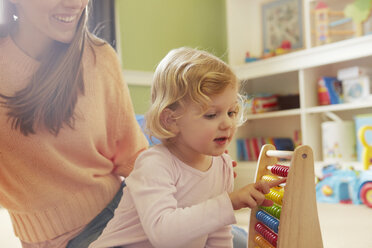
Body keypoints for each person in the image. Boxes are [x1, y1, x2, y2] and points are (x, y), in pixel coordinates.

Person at [90, 47, 285, 248]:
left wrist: (227, 206)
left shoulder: (222, 165)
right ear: (171, 120)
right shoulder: (154, 165)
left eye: (231, 112)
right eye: (211, 115)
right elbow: (163, 234)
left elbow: (218, 232)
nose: (227, 124)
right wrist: (230, 203)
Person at [0, 0, 149, 247]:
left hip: (119, 211)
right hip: (50, 238)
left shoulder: (98, 57)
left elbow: (133, 156)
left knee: (232, 239)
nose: (76, 3)